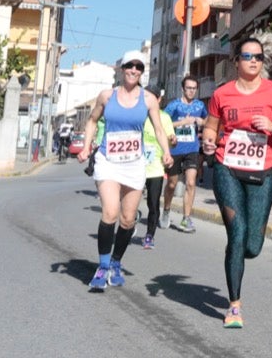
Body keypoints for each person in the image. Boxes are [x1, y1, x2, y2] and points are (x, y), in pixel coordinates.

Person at [200, 40, 272, 329]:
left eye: (259, 57)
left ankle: (240, 255)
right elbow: (212, 126)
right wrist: (208, 139)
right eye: (248, 56)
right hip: (227, 167)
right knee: (237, 233)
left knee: (252, 246)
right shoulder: (222, 93)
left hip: (262, 172)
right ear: (236, 60)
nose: (254, 61)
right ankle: (234, 306)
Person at [79, 53, 176, 291]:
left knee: (128, 218)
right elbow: (92, 121)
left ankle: (115, 263)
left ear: (142, 72)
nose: (134, 70)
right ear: (122, 69)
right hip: (108, 161)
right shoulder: (107, 96)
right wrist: (85, 146)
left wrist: (166, 152)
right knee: (110, 212)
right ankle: (102, 266)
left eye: (139, 67)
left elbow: (159, 129)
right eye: (130, 66)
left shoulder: (149, 99)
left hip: (134, 163)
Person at [164, 75, 209, 232]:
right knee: (172, 184)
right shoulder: (174, 105)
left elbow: (207, 120)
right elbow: (163, 122)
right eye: (188, 88)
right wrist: (181, 123)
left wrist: (200, 121)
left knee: (190, 182)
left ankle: (186, 218)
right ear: (183, 89)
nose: (191, 91)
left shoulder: (199, 105)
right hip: (175, 149)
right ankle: (166, 210)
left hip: (192, 149)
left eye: (194, 88)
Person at [138, 105, 175, 251]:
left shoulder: (164, 117)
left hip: (155, 168)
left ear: (158, 99)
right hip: (136, 167)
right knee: (129, 201)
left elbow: (172, 141)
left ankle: (149, 235)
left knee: (153, 204)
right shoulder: (138, 114)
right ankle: (131, 218)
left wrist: (172, 140)